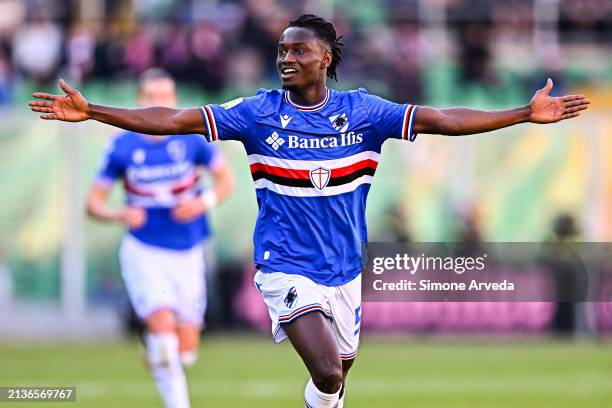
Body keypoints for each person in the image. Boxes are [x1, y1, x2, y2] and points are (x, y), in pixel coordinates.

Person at [29, 14, 589, 408]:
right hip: (284, 265)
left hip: (346, 270)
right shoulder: (257, 113)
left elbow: (443, 118)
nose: (286, 58)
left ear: (326, 57)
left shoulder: (364, 112)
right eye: (281, 51)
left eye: (298, 50)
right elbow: (172, 120)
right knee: (325, 369)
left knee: (336, 381)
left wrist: (521, 113)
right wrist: (95, 111)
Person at [85, 68, 234, 408]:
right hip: (144, 249)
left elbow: (227, 182)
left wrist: (202, 202)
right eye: (151, 97)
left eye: (165, 97)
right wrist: (118, 214)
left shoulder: (193, 139)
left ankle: (154, 346)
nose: (158, 104)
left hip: (188, 249)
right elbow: (92, 204)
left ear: (174, 100)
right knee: (166, 345)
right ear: (140, 101)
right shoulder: (122, 146)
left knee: (186, 353)